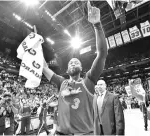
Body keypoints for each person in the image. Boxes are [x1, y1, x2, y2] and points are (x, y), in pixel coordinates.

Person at [42, 1, 108, 134]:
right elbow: (44, 68)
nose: (73, 63)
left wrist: (97, 25)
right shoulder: (62, 82)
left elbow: (102, 54)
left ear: (81, 67)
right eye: (70, 62)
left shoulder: (88, 81)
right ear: (67, 70)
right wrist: (37, 48)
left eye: (76, 62)